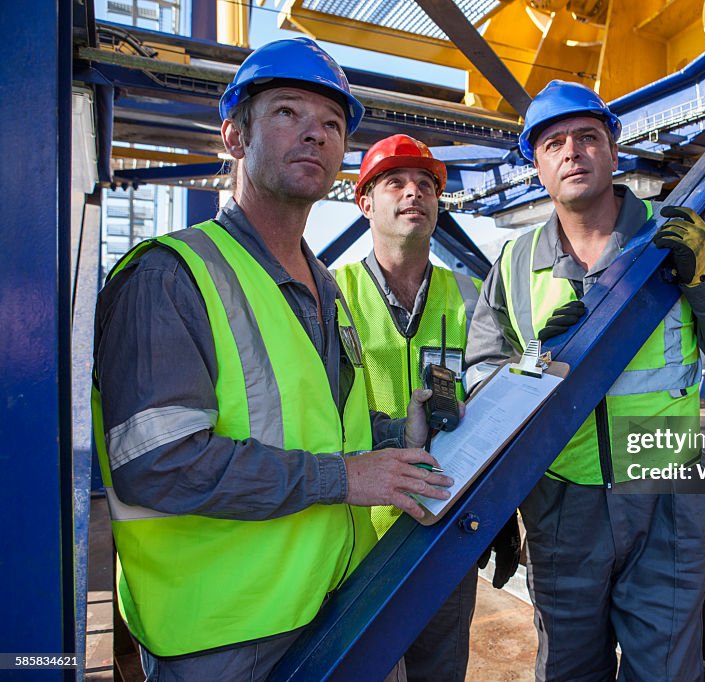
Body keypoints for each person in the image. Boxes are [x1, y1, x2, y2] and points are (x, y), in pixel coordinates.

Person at [91, 37, 453, 681]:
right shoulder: (170, 277)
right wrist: (345, 478)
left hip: (339, 602)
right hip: (225, 638)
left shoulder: (328, 290)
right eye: (288, 112)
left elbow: (316, 427)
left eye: (332, 124)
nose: (315, 133)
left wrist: (398, 439)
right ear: (233, 136)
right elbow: (156, 465)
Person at [465, 80, 705, 681]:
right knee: (568, 671)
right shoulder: (515, 261)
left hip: (663, 499)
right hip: (562, 504)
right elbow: (480, 377)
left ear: (613, 148)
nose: (572, 152)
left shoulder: (676, 238)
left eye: (587, 138)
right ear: (537, 165)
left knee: (662, 672)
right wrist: (533, 364)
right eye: (553, 144)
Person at [334, 134, 520, 682]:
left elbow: (499, 402)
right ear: (365, 202)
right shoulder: (331, 293)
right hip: (356, 532)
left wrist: (500, 512)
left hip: (448, 525)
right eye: (395, 182)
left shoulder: (473, 296)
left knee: (440, 668)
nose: (413, 193)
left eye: (426, 185)